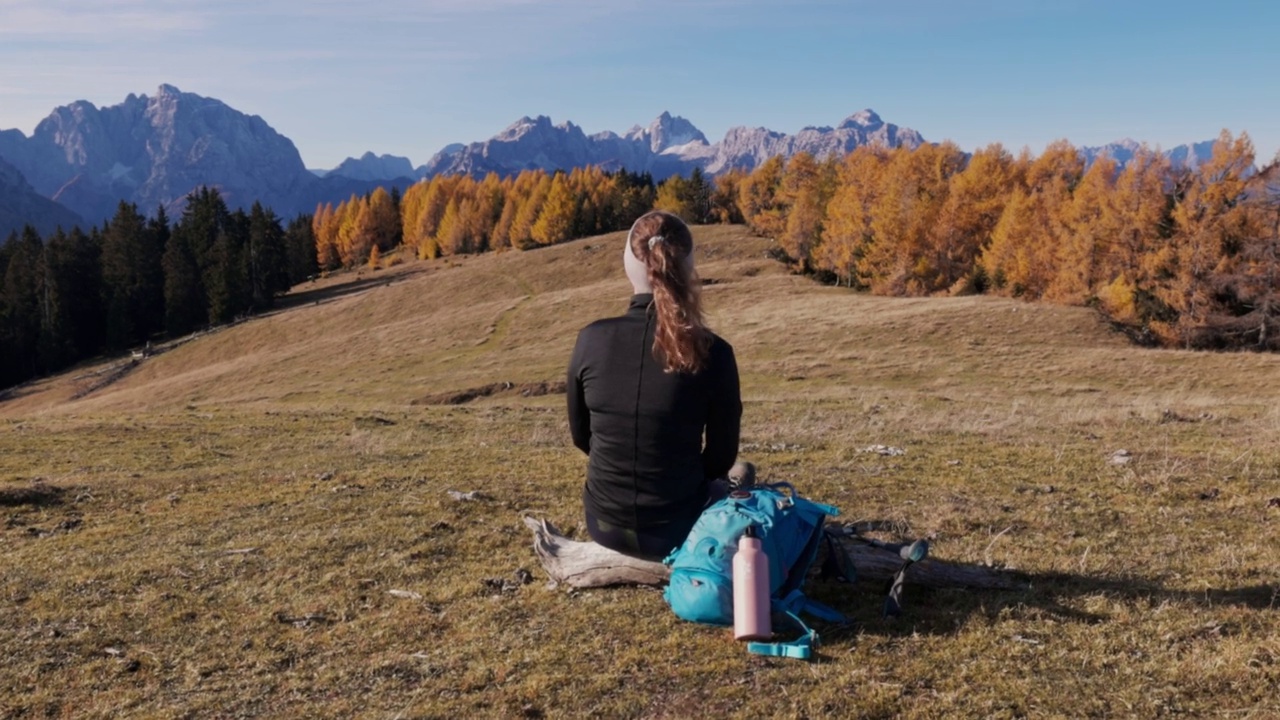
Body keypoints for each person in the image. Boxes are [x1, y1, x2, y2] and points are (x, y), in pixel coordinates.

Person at [566, 210, 747, 561]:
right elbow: (721, 457)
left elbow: (581, 436)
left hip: (602, 523)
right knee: (744, 476)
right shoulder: (714, 352)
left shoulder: (590, 339)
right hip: (680, 528)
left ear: (627, 263)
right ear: (688, 267)